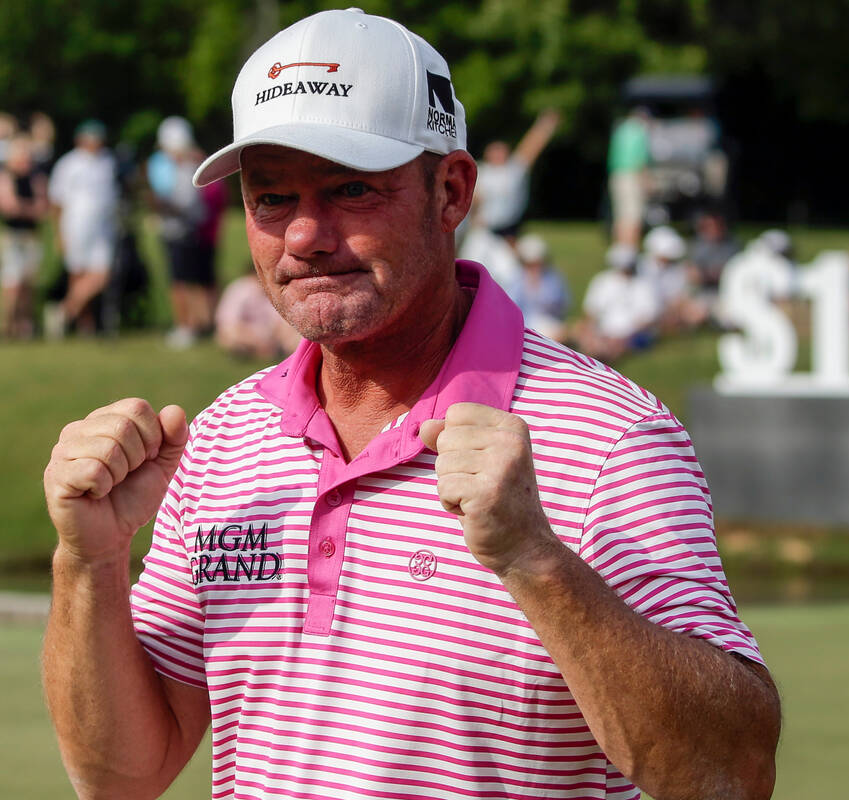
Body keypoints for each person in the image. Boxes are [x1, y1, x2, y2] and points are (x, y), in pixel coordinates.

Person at [41, 10, 780, 800]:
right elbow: (119, 775)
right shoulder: (223, 439)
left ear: (452, 190)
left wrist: (535, 559)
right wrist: (90, 562)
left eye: (352, 189)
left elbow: (730, 775)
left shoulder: (610, 437)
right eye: (272, 198)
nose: (305, 236)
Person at [147, 116, 227, 349]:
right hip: (183, 231)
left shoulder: (188, 166)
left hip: (188, 231)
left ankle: (192, 325)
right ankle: (193, 324)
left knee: (188, 280)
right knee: (187, 280)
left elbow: (189, 202)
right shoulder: (173, 165)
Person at [46, 120, 119, 337]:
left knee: (100, 274)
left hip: (102, 228)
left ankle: (64, 310)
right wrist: (59, 233)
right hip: (76, 227)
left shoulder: (107, 162)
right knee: (78, 274)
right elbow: (57, 201)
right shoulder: (69, 164)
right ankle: (83, 325)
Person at [470, 108, 560, 245]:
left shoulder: (513, 171)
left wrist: (545, 125)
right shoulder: (481, 171)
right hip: (483, 230)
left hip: (508, 230)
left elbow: (530, 148)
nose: (498, 154)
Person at [0, 135, 48, 339]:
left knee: (28, 284)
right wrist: (29, 208)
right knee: (11, 284)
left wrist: (24, 207)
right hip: (11, 236)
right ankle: (6, 326)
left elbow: (42, 207)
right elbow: (8, 207)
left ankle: (25, 325)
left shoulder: (35, 177)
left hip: (31, 235)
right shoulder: (4, 176)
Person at [575, 243, 661, 361]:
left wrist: (623, 336)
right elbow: (591, 312)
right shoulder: (602, 281)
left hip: (631, 334)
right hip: (604, 332)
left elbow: (647, 319)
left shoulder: (643, 284)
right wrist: (593, 333)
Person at [214, 263, 301, 360]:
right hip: (247, 333)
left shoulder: (276, 291)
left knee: (296, 336)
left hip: (272, 335)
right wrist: (255, 339)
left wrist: (276, 337)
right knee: (229, 335)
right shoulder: (240, 290)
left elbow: (282, 322)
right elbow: (229, 322)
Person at [505, 233, 570, 341]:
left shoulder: (553, 277)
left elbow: (560, 304)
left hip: (550, 322)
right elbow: (511, 305)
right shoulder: (516, 278)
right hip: (524, 324)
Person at [608, 107, 651, 247]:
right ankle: (630, 249)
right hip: (632, 177)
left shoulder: (620, 129)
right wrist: (646, 182)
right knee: (633, 218)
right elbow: (640, 160)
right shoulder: (639, 131)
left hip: (616, 175)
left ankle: (620, 249)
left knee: (620, 217)